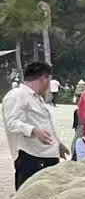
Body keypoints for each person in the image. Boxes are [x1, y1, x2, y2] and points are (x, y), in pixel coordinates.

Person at [4, 60, 66, 189]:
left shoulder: (37, 98)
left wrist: (57, 144)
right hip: (32, 158)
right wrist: (34, 130)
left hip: (46, 155)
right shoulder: (17, 94)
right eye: (48, 81)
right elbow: (12, 122)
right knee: (30, 196)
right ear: (43, 79)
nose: (48, 86)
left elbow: (43, 123)